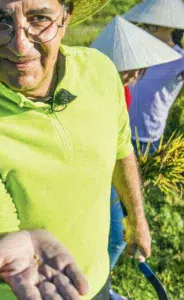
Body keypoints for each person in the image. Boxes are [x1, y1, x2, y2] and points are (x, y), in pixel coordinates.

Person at [0, 0, 151, 299]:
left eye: (40, 18)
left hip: (94, 282)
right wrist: (2, 249)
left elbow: (121, 148)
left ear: (65, 17)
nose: (19, 46)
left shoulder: (100, 71)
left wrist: (137, 219)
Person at [90, 15, 181, 300]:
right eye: (128, 69)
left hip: (112, 170)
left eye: (139, 70)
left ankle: (101, 288)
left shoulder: (123, 93)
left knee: (116, 238)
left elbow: (120, 144)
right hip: (95, 175)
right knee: (114, 239)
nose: (134, 76)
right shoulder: (91, 93)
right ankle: (96, 290)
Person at [123, 0, 184, 157]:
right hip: (121, 131)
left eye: (152, 24)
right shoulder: (136, 50)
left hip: (147, 138)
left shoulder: (179, 59)